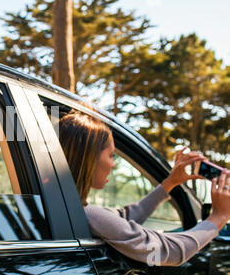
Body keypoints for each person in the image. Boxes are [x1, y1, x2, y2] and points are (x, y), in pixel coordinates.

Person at [59, 110, 230, 266]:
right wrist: (219, 216)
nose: (114, 165)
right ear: (88, 159)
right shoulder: (89, 215)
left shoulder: (69, 209)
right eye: (111, 155)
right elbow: (169, 251)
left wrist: (170, 182)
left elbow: (122, 219)